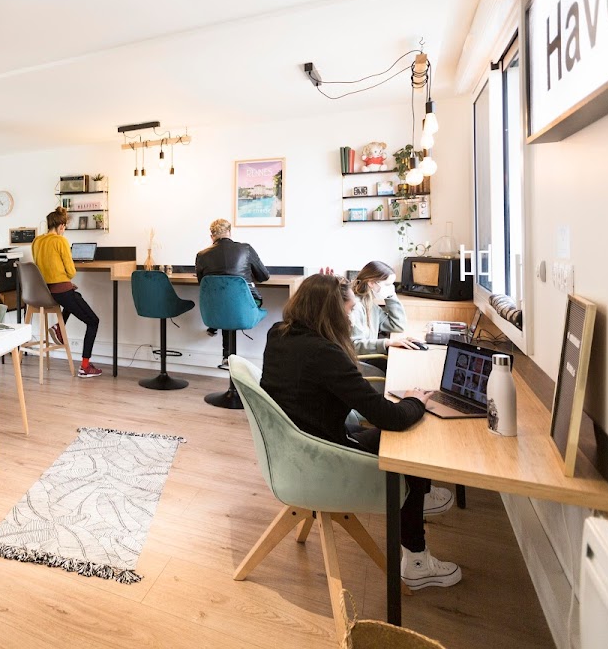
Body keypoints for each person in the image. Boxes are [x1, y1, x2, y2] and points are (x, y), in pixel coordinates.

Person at [259, 273, 461, 590]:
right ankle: (417, 558)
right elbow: (389, 417)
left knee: (399, 435)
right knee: (407, 439)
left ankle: (419, 494)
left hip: (294, 450)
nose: (352, 317)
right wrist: (414, 401)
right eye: (350, 310)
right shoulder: (325, 354)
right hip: (325, 460)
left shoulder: (278, 334)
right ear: (331, 312)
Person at [31, 206, 102, 378]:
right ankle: (85, 366)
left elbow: (40, 267)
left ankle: (58, 328)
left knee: (75, 295)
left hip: (44, 292)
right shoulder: (61, 241)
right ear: (61, 226)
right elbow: (71, 272)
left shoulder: (36, 241)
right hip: (61, 291)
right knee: (93, 321)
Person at [195, 218, 270, 369]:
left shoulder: (202, 255)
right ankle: (229, 357)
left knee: (225, 303)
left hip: (216, 308)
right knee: (233, 302)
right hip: (243, 306)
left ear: (212, 236)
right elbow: (264, 276)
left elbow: (202, 283)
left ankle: (226, 354)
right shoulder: (246, 249)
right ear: (229, 232)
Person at [350, 260, 420, 367]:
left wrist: (390, 296)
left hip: (368, 357)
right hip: (359, 362)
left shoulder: (370, 305)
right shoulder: (356, 307)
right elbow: (354, 346)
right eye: (387, 285)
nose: (391, 288)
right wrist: (387, 342)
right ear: (371, 283)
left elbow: (397, 325)